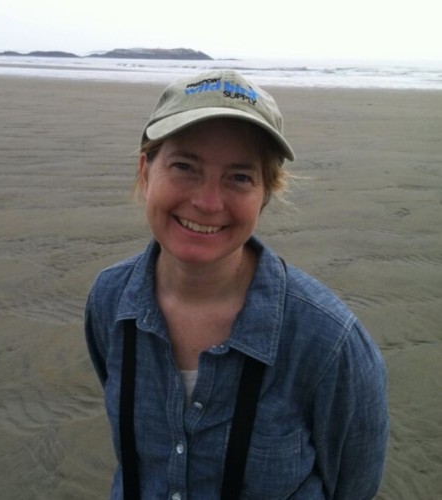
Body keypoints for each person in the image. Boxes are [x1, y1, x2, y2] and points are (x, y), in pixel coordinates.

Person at [84, 69, 389, 499]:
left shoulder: (330, 343)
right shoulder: (110, 300)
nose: (207, 202)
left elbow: (355, 486)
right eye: (185, 167)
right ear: (145, 171)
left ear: (265, 194)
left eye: (240, 177)